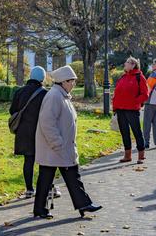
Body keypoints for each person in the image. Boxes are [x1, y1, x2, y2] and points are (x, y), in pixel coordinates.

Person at [33, 65, 102, 219]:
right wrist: (57, 142)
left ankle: (83, 204)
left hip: (62, 148)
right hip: (55, 147)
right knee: (47, 179)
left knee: (71, 175)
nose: (74, 84)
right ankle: (40, 209)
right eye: (72, 81)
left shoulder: (62, 95)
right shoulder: (54, 96)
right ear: (63, 82)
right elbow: (47, 122)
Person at [9, 66, 48, 198]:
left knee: (28, 160)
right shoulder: (44, 93)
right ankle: (46, 188)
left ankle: (29, 189)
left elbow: (12, 110)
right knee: (45, 161)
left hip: (23, 132)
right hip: (40, 131)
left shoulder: (19, 91)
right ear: (43, 78)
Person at [113, 57, 149, 164]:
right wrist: (114, 105)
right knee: (124, 133)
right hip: (120, 109)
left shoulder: (140, 77)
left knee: (137, 132)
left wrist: (135, 102)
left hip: (132, 109)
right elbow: (118, 92)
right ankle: (127, 155)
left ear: (133, 65)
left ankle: (141, 156)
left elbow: (145, 94)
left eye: (127, 62)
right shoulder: (123, 77)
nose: (125, 63)